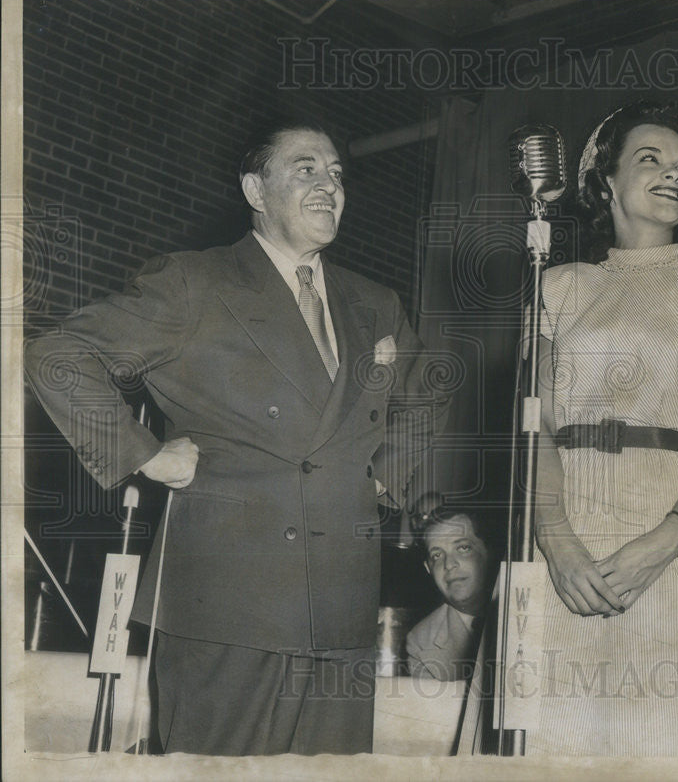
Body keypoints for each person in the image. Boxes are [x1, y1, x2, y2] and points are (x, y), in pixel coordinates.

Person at [23, 115, 450, 755]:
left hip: (342, 602)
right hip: (227, 601)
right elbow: (56, 355)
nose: (328, 185)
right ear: (255, 191)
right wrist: (145, 455)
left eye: (336, 173)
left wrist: (383, 476)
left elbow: (428, 390)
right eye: (305, 169)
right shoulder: (197, 282)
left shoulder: (375, 303)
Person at [529, 100, 678, 756]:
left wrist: (666, 542)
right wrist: (556, 538)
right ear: (604, 178)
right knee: (553, 738)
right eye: (650, 159)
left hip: (673, 533)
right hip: (561, 524)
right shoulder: (557, 284)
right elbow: (530, 426)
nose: (673, 173)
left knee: (660, 742)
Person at [406, 503, 495, 681]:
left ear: (488, 552)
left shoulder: (529, 606)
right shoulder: (420, 642)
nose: (448, 565)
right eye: (437, 555)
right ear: (428, 568)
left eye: (462, 548)